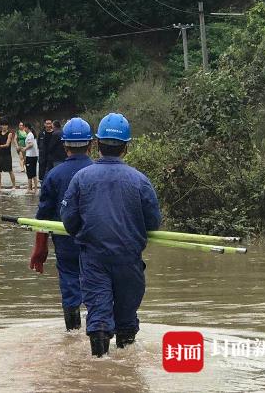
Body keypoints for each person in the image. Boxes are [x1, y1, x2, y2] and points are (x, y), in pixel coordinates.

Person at [60, 112, 162, 357]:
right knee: (127, 316)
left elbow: (68, 221)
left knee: (99, 317)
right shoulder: (140, 181)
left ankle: (100, 369)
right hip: (129, 259)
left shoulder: (81, 178)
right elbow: (154, 223)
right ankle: (126, 366)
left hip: (94, 258)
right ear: (126, 147)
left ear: (97, 145)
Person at [29, 117, 94, 331]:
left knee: (70, 286)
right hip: (97, 244)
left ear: (64, 145)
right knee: (99, 287)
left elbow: (43, 217)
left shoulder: (53, 175)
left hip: (65, 243)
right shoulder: (99, 172)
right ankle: (99, 336)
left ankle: (72, 334)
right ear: (91, 144)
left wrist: (40, 250)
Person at [0, 119, 17, 190]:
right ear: (1, 126)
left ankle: (14, 186)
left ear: (7, 126)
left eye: (5, 125)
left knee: (10, 170)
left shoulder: (9, 134)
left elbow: (7, 144)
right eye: (3, 125)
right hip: (0, 155)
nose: (4, 126)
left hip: (7, 155)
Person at [21, 123, 39, 193]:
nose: (24, 129)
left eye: (24, 127)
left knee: (29, 173)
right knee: (33, 172)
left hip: (30, 156)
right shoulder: (32, 134)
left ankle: (29, 189)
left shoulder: (30, 134)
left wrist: (25, 148)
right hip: (34, 156)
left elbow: (31, 144)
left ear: (27, 127)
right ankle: (35, 189)